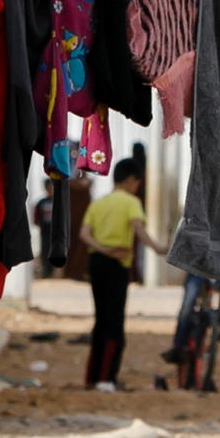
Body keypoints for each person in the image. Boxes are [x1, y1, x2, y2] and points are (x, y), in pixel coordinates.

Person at [80, 150, 149, 391]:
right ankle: (107, 378)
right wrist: (162, 248)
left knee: (100, 320)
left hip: (97, 263)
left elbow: (84, 235)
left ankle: (92, 376)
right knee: (115, 322)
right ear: (131, 180)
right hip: (118, 264)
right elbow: (139, 231)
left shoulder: (99, 204)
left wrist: (102, 249)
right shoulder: (131, 202)